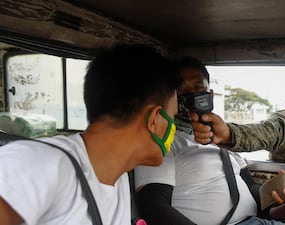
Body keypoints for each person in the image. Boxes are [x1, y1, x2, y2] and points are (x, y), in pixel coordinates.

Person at [0, 44, 180, 225]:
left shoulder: (119, 182)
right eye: (173, 117)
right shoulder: (39, 163)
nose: (174, 127)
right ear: (155, 119)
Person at [134, 56, 285, 225]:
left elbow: (249, 186)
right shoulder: (165, 142)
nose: (191, 95)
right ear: (172, 98)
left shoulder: (223, 137)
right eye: (181, 89)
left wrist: (275, 194)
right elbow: (154, 206)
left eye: (198, 87)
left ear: (210, 94)